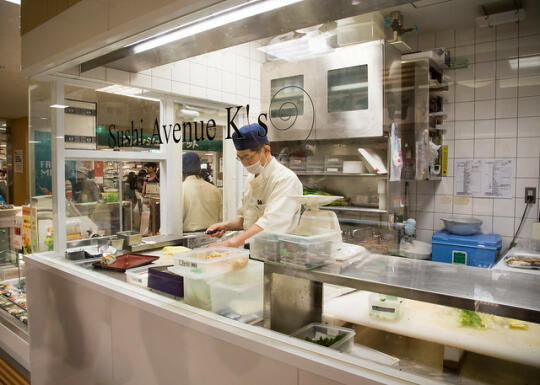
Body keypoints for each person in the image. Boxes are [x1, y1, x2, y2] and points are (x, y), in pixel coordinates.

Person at [206, 123, 302, 247]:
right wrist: (226, 226)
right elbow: (247, 219)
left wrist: (229, 243)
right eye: (240, 158)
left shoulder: (285, 179)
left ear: (266, 150)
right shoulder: (252, 176)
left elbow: (270, 224)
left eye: (248, 157)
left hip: (277, 252)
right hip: (254, 249)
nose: (245, 164)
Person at [182, 152, 223, 232]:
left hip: (188, 236)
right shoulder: (214, 189)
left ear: (182, 170)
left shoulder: (181, 189)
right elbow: (221, 217)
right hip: (213, 235)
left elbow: (177, 219)